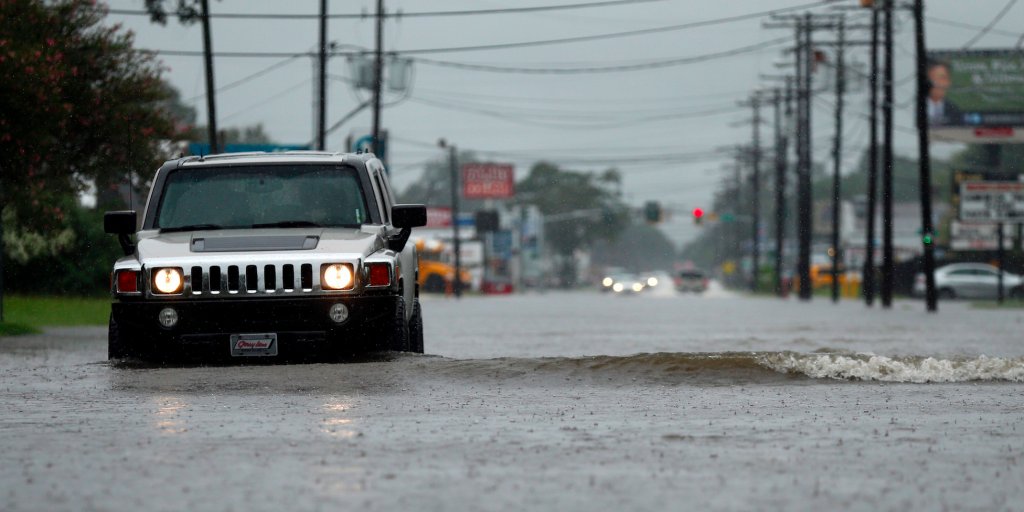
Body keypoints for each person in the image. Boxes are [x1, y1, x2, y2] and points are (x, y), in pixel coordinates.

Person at [927, 60, 961, 126]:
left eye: (942, 78)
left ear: (948, 82)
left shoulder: (954, 110)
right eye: (933, 78)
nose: (937, 83)